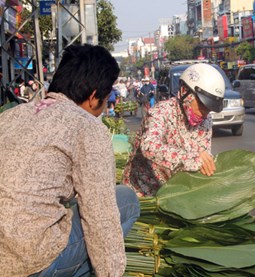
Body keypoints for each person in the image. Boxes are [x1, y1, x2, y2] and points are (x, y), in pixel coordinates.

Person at [0, 44, 140, 276]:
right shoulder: (86, 126)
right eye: (105, 99)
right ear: (94, 96)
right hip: (29, 261)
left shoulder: (10, 116)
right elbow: (100, 215)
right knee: (126, 200)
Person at [122, 63, 225, 197]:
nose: (204, 112)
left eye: (209, 108)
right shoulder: (161, 111)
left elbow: (202, 158)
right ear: (184, 92)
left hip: (175, 193)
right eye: (201, 104)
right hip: (143, 192)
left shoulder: (205, 121)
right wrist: (191, 158)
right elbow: (149, 146)